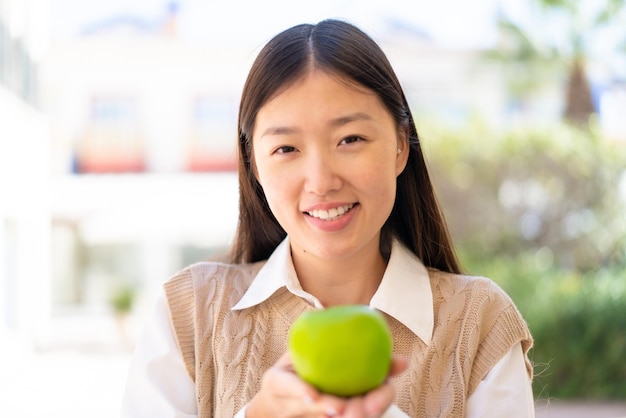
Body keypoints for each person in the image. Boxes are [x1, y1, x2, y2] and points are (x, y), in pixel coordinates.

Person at [121, 19, 534, 418]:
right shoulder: (189, 313)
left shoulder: (479, 323)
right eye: (286, 148)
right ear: (255, 167)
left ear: (400, 148)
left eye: (350, 139)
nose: (321, 181)